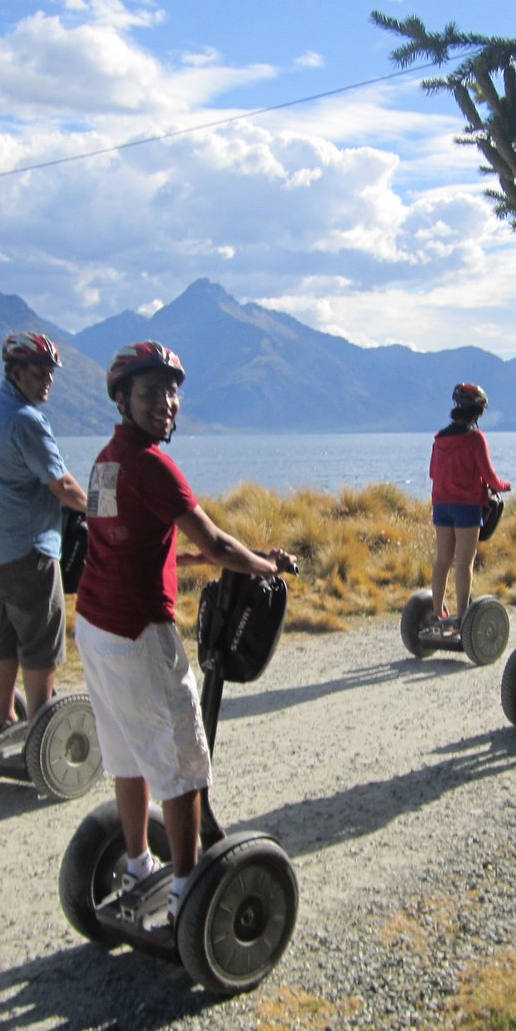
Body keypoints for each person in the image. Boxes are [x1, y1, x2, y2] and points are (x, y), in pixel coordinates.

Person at [74, 341, 296, 922]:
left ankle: (139, 864)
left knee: (125, 752)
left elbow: (139, 544)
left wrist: (237, 559)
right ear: (122, 399)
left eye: (172, 392)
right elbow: (214, 541)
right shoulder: (152, 465)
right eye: (150, 393)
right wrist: (266, 566)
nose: (166, 403)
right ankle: (185, 890)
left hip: (95, 628)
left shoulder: (105, 461)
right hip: (136, 631)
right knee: (183, 760)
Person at [0, 332, 88, 734]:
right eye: (38, 372)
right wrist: (104, 510)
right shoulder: (26, 420)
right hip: (23, 549)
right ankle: (40, 729)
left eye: (50, 373)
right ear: (14, 372)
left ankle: (2, 716)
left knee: (2, 629)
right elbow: (61, 486)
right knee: (42, 636)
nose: (47, 380)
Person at [426, 382, 510, 634]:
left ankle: (436, 611)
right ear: (477, 412)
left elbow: (432, 472)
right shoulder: (475, 438)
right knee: (464, 563)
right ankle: (462, 617)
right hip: (467, 507)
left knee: (442, 560)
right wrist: (503, 485)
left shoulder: (440, 439)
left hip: (441, 505)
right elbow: (489, 475)